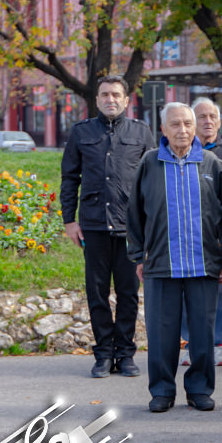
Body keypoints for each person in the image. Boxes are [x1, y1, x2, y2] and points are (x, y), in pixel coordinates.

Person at [127, 102, 222, 412]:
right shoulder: (149, 164)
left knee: (202, 334)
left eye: (188, 123)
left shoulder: (212, 164)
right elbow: (133, 213)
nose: (183, 130)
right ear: (163, 129)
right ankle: (162, 391)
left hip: (204, 264)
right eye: (175, 124)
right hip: (161, 262)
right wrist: (138, 255)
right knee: (162, 335)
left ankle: (199, 390)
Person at [60, 75, 155, 379]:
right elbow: (69, 179)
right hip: (93, 227)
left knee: (128, 292)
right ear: (97, 99)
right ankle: (103, 354)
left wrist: (151, 226)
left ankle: (125, 354)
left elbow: (152, 183)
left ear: (127, 100)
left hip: (131, 229)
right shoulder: (81, 132)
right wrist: (69, 220)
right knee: (97, 292)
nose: (110, 99)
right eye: (104, 94)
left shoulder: (141, 133)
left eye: (116, 94)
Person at [176, 98, 222, 369]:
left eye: (212, 116)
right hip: (188, 236)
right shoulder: (181, 152)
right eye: (201, 117)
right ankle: (190, 344)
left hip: (219, 237)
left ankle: (217, 343)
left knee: (219, 291)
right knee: (186, 292)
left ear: (220, 120)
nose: (208, 122)